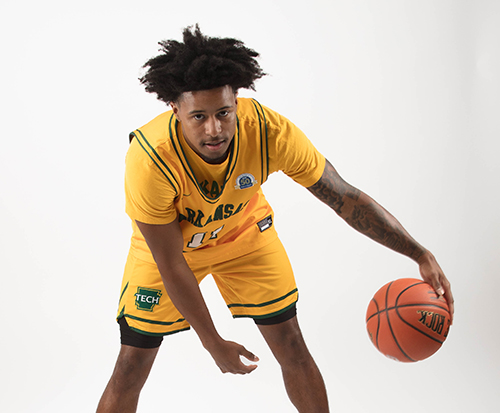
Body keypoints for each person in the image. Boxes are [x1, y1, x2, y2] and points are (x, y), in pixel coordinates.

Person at [96, 25, 454, 413]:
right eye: (198, 116)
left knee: (291, 343)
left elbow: (344, 197)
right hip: (172, 251)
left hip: (244, 235)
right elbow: (170, 263)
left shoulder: (268, 132)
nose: (214, 129)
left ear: (236, 102)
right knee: (131, 365)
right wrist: (213, 342)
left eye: (223, 113)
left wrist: (419, 253)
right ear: (175, 109)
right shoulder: (150, 159)